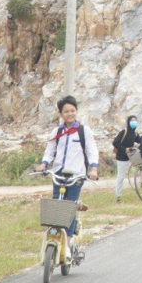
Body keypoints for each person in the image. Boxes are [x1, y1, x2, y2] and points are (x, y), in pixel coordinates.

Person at [38, 94, 99, 242]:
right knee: (56, 203)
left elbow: (92, 150)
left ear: (76, 111)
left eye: (72, 110)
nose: (70, 114)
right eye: (66, 111)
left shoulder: (84, 131)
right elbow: (50, 150)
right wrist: (44, 164)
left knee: (70, 205)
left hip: (76, 173)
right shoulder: (57, 132)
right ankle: (54, 234)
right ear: (61, 114)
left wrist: (93, 169)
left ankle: (69, 239)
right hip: (59, 172)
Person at [111, 113, 141, 201]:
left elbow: (140, 140)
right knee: (120, 177)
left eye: (135, 121)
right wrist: (124, 149)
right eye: (132, 121)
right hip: (122, 157)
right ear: (128, 122)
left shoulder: (135, 133)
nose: (134, 122)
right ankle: (118, 196)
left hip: (131, 156)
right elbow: (115, 142)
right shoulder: (124, 131)